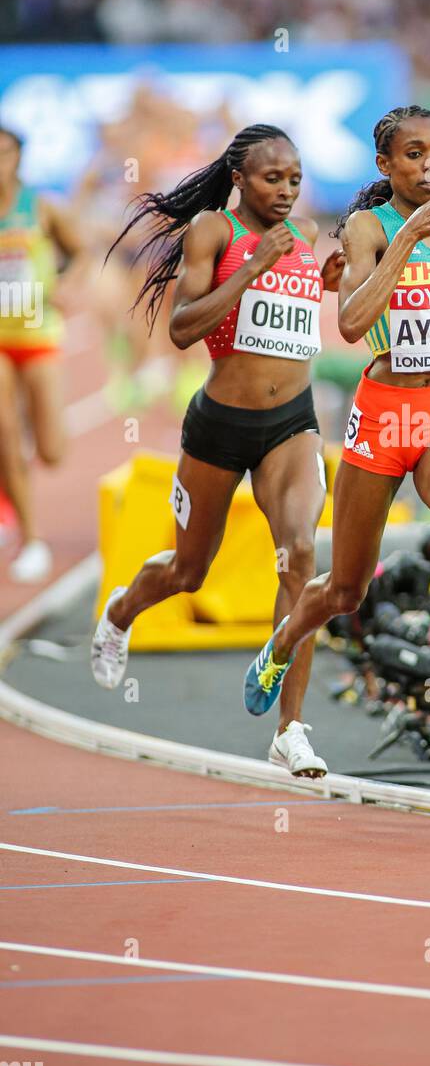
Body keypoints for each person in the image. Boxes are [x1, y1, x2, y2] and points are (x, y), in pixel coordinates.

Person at [243, 105, 430, 776]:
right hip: (386, 415)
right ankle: (281, 645)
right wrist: (405, 240)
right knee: (345, 590)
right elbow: (354, 319)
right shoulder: (370, 227)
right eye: (415, 155)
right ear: (386, 166)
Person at [90, 124, 346, 775]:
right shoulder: (213, 231)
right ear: (240, 178)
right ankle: (122, 611)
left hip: (293, 421)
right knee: (188, 570)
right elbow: (181, 328)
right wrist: (254, 268)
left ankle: (290, 727)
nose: (287, 191)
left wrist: (329, 281)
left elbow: (291, 311)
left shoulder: (309, 235)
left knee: (301, 555)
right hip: (219, 426)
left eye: (294, 178)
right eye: (272, 178)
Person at [0, 126, 89, 582]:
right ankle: (30, 539)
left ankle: (13, 469)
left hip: (37, 335)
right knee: (5, 432)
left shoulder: (42, 207)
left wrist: (66, 288)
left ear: (19, 157)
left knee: (51, 450)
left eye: (6, 152)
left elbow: (81, 252)